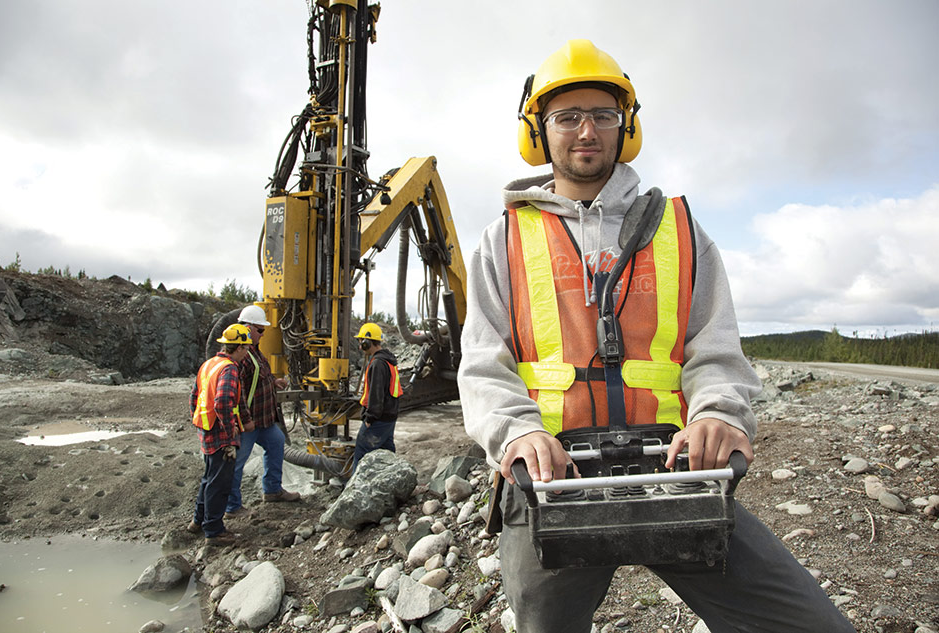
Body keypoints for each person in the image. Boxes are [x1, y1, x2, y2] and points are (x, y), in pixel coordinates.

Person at [458, 40, 855, 633]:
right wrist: (517, 434)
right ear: (538, 132)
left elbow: (714, 349)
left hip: (675, 469)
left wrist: (719, 413)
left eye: (603, 115)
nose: (586, 130)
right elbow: (484, 366)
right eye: (567, 117)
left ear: (627, 127)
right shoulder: (503, 240)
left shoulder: (679, 229)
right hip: (551, 480)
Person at [224, 305, 300, 518]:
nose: (263, 334)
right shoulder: (241, 354)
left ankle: (273, 490)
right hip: (249, 421)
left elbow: (256, 376)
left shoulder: (253, 350)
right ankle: (232, 507)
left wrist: (272, 381)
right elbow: (237, 389)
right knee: (237, 462)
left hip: (264, 419)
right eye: (260, 330)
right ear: (247, 328)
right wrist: (244, 420)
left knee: (277, 443)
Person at [188, 323, 253, 546]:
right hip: (220, 433)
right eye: (246, 348)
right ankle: (214, 530)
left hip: (206, 429)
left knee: (209, 478)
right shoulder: (229, 369)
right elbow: (223, 401)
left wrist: (200, 423)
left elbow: (194, 397)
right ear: (239, 348)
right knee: (219, 482)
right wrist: (229, 430)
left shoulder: (209, 364)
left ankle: (198, 521)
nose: (247, 353)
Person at [352, 322, 403, 468]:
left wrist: (370, 417)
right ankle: (394, 485)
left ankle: (355, 489)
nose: (360, 345)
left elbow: (376, 393)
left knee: (361, 454)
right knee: (387, 456)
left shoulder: (378, 364)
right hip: (389, 417)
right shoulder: (388, 361)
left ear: (368, 342)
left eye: (361, 341)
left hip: (378, 419)